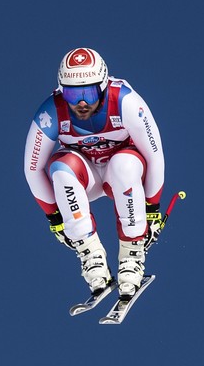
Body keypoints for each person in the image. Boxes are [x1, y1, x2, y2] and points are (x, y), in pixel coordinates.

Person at [23, 47, 165, 300]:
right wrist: (55, 218)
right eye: (71, 93)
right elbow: (33, 168)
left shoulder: (126, 102)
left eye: (88, 93)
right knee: (61, 168)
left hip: (119, 175)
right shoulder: (52, 112)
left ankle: (132, 254)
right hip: (85, 176)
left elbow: (154, 155)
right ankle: (90, 255)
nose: (80, 103)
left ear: (103, 85)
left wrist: (152, 208)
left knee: (124, 164)